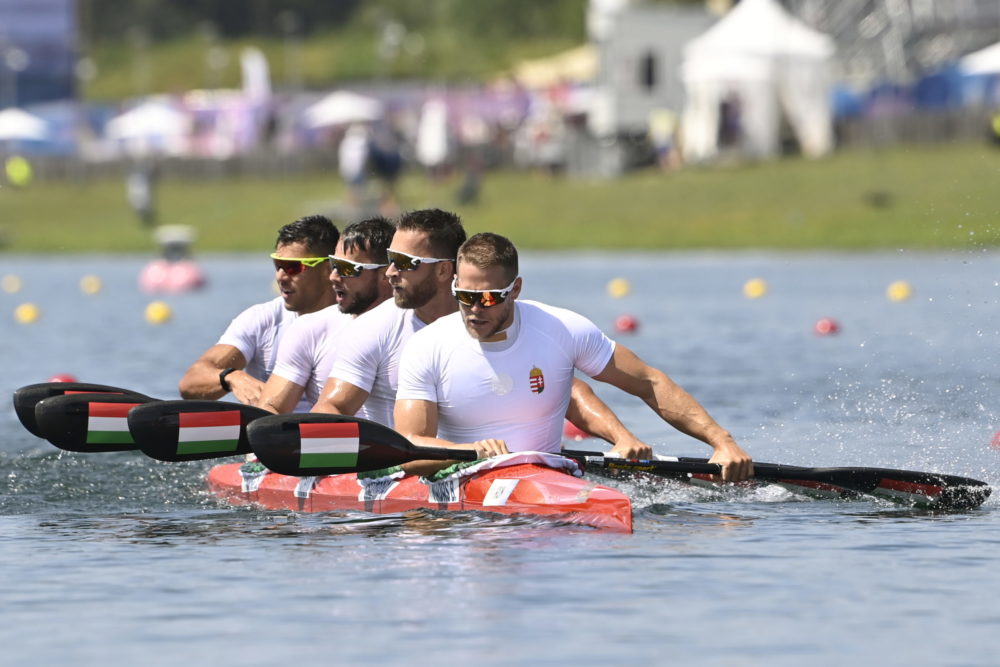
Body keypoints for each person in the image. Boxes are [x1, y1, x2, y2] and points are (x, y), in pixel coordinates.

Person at [393, 232, 754, 482]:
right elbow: (409, 448)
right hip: (463, 482)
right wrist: (470, 451)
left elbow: (650, 383)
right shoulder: (428, 346)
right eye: (464, 294)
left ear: (515, 289)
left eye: (488, 298)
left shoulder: (561, 329)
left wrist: (722, 442)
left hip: (550, 480)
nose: (473, 309)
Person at [312, 209, 652, 458]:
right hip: (410, 461)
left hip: (514, 465)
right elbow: (336, 405)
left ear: (447, 271)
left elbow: (566, 388)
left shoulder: (503, 316)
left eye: (405, 263)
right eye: (390, 261)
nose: (390, 274)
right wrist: (319, 454)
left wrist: (622, 438)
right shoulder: (376, 330)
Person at [178, 215, 339, 409]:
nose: (280, 277)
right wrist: (232, 377)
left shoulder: (358, 321)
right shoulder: (261, 319)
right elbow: (190, 382)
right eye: (277, 266)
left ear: (327, 269)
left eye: (292, 267)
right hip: (271, 431)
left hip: (332, 431)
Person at [256, 217, 394, 414]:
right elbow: (270, 410)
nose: (333, 277)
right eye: (334, 265)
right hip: (334, 442)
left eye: (347, 269)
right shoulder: (311, 328)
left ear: (385, 274)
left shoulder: (421, 330)